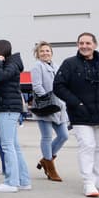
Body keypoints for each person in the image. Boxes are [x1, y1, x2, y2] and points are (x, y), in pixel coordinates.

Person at [53, 32, 99, 197]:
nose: (84, 46)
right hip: (81, 114)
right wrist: (76, 103)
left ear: (95, 45)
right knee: (88, 146)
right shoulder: (70, 64)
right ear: (78, 45)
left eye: (88, 43)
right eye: (81, 43)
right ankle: (88, 183)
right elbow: (58, 86)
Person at [0, 39, 31, 193]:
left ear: (0, 50)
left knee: (7, 146)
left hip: (7, 107)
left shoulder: (10, 64)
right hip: (10, 107)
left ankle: (11, 182)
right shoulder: (13, 63)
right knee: (14, 146)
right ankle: (24, 180)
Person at [30, 41, 69, 182]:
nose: (45, 53)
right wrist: (48, 99)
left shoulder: (56, 66)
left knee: (64, 135)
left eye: (47, 51)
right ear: (37, 54)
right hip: (45, 107)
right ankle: (50, 169)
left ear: (51, 53)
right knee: (46, 137)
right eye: (42, 51)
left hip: (59, 107)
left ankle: (45, 160)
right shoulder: (37, 66)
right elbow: (37, 86)